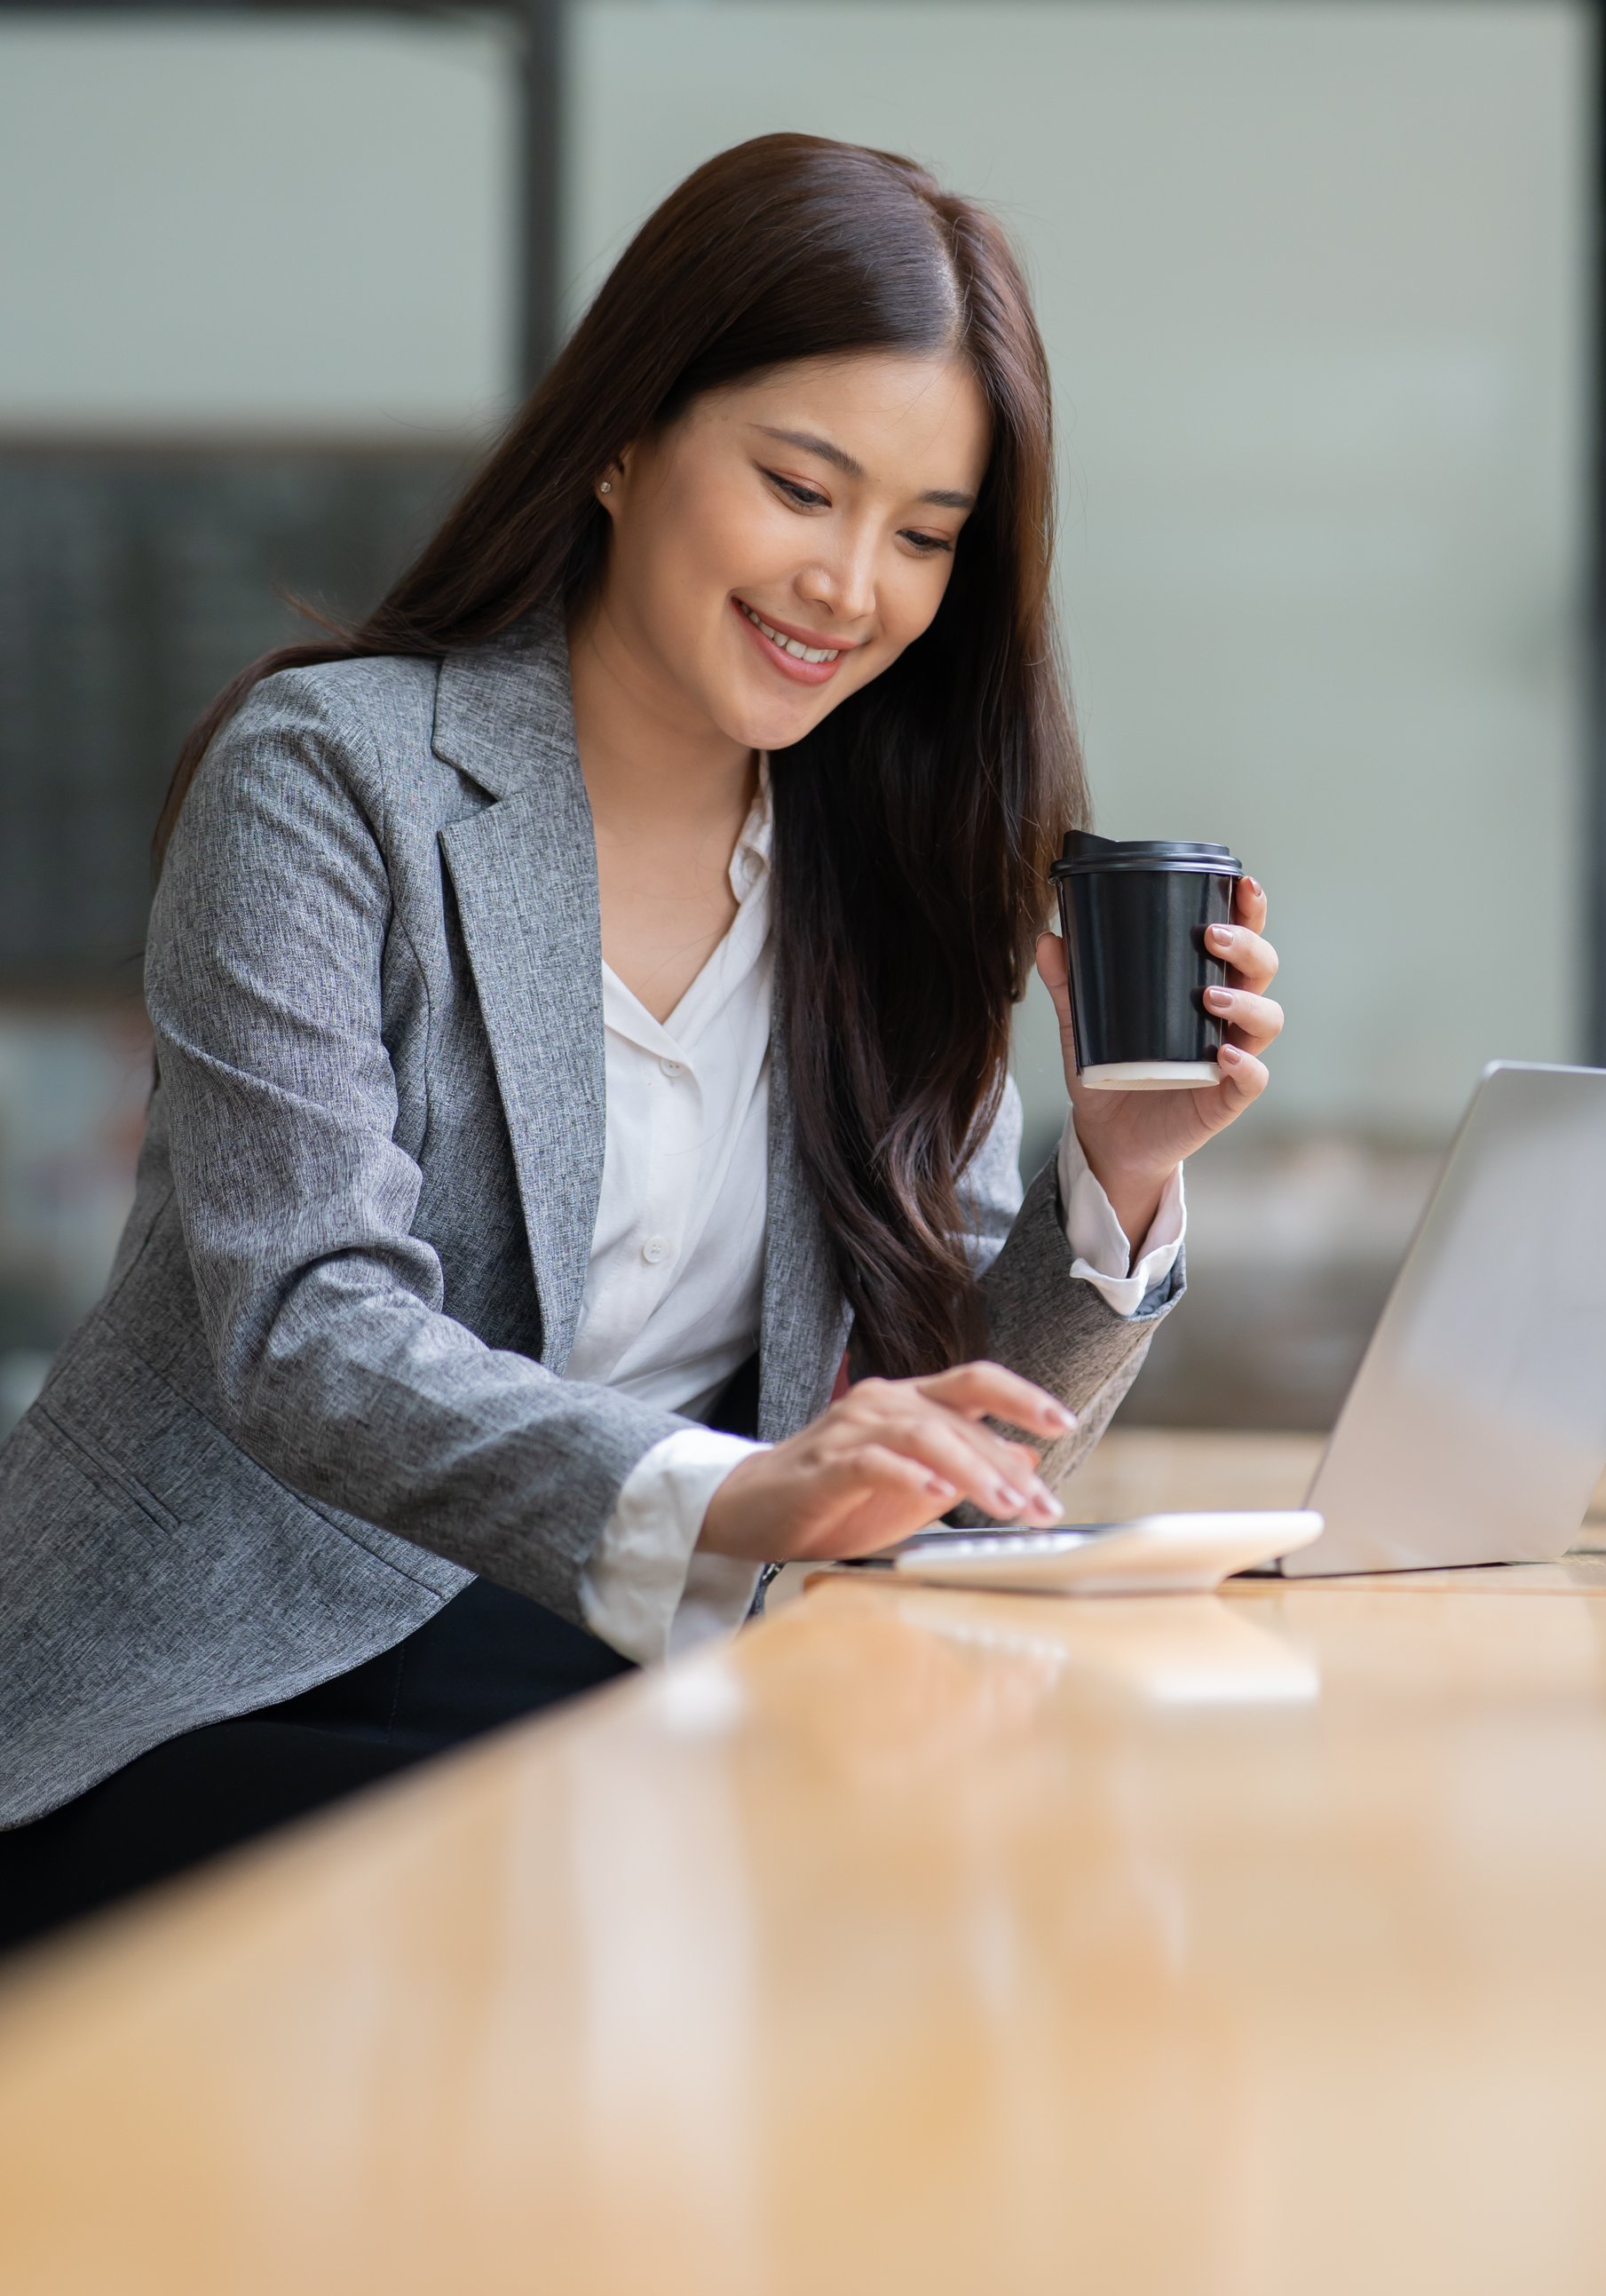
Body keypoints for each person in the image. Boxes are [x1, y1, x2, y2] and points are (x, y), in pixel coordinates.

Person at [0, 132, 1284, 1947]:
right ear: (623, 438)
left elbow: (937, 1440)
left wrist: (1123, 1185)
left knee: (1010, 1853)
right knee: (711, 1901)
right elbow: (306, 1329)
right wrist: (747, 1492)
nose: (851, 585)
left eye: (924, 536)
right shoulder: (332, 781)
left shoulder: (885, 888)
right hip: (215, 1694)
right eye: (799, 485)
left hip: (618, 1693)